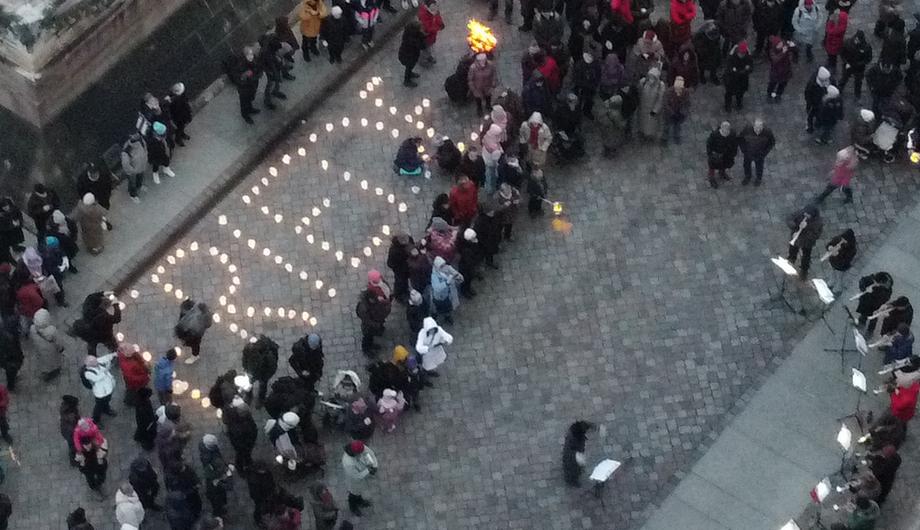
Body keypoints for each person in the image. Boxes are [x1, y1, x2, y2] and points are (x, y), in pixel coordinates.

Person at [786, 204, 824, 278]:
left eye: (808, 215)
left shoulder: (818, 222)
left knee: (806, 256)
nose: (805, 216)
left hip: (807, 243)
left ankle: (804, 270)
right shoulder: (801, 213)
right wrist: (796, 226)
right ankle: (791, 259)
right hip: (795, 239)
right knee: (792, 250)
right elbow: (789, 219)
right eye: (805, 214)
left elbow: (815, 236)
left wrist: (805, 229)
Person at [341, 440, 378, 516]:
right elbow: (356, 476)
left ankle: (360, 501)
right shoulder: (348, 462)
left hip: (362, 475)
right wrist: (368, 470)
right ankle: (353, 507)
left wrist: (374, 465)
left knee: (359, 492)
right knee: (354, 493)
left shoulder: (360, 447)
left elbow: (369, 453)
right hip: (354, 481)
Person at [199, 434, 232, 517]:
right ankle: (218, 513)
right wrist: (226, 472)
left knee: (215, 496)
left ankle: (219, 510)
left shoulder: (203, 448)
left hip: (212, 480)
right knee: (217, 498)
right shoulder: (212, 459)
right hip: (215, 483)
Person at [79, 291, 121, 356]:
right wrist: (116, 305)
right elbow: (117, 318)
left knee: (92, 344)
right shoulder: (103, 316)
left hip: (90, 332)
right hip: (104, 335)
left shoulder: (87, 306)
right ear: (100, 305)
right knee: (111, 342)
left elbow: (91, 296)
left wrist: (103, 293)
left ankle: (92, 358)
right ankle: (115, 350)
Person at [74, 418, 109, 497]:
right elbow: (80, 466)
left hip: (98, 466)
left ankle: (99, 484)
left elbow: (104, 458)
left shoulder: (98, 449)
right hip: (88, 468)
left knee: (101, 476)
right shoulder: (80, 454)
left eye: (88, 444)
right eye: (85, 445)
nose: (87, 447)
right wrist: (82, 465)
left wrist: (101, 462)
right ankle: (94, 487)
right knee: (90, 479)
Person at [223, 395, 258, 471]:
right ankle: (242, 465)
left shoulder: (231, 413)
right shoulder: (246, 421)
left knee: (241, 454)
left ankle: (243, 464)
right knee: (242, 454)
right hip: (243, 442)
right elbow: (253, 431)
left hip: (239, 441)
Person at [242, 335, 280, 404]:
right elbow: (244, 359)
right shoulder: (249, 348)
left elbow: (272, 369)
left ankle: (261, 399)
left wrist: (264, 378)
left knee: (263, 386)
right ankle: (249, 396)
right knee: (248, 384)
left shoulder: (269, 356)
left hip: (262, 374)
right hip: (251, 373)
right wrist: (246, 369)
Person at [738, 118, 775, 186]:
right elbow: (740, 139)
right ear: (753, 126)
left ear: (762, 127)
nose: (758, 131)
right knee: (746, 165)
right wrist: (744, 150)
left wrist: (764, 153)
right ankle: (748, 176)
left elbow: (771, 143)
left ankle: (758, 179)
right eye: (756, 128)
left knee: (759, 167)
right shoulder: (747, 129)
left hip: (760, 154)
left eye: (760, 128)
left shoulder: (768, 132)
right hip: (748, 153)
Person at [30, 308, 64, 381]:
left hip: (40, 349)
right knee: (54, 361)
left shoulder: (32, 328)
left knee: (44, 362)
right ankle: (54, 371)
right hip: (50, 350)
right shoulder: (52, 330)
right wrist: (60, 348)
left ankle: (46, 372)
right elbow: (58, 342)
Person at [175, 298, 212, 364]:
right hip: (188, 332)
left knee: (195, 345)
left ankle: (195, 356)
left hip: (194, 335)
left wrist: (185, 338)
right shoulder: (188, 311)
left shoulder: (198, 322)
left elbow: (207, 324)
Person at [83, 353, 117, 425]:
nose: (97, 362)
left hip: (108, 389)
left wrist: (113, 355)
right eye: (95, 362)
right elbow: (98, 378)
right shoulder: (88, 373)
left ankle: (106, 409)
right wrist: (107, 369)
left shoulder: (95, 362)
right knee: (98, 406)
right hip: (100, 393)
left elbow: (104, 358)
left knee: (107, 401)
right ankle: (96, 420)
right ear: (90, 364)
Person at [840, 31, 873, 99]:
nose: (857, 41)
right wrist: (846, 62)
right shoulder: (848, 42)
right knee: (844, 78)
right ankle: (839, 89)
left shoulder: (866, 47)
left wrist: (859, 64)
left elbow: (868, 59)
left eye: (858, 40)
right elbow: (842, 53)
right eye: (856, 39)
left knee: (858, 82)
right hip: (848, 65)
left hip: (859, 68)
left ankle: (857, 94)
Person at [430, 256, 463, 324]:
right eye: (441, 266)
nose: (444, 267)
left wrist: (459, 277)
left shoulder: (448, 268)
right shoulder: (434, 275)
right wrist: (447, 283)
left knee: (448, 307)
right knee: (438, 308)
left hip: (449, 294)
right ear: (437, 267)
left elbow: (456, 274)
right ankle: (435, 318)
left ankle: (447, 316)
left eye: (444, 264)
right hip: (439, 297)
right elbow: (437, 288)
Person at [234, 46, 262, 124]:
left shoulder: (254, 61)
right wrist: (246, 78)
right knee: (244, 102)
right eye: (248, 55)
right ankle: (245, 115)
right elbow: (238, 79)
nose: (251, 56)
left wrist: (258, 74)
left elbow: (258, 68)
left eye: (251, 54)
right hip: (244, 88)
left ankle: (250, 109)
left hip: (252, 86)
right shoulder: (240, 66)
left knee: (250, 99)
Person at [706, 121, 739, 188]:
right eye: (724, 130)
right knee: (712, 167)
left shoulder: (732, 134)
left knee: (724, 165)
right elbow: (709, 144)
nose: (726, 132)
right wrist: (711, 154)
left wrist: (733, 153)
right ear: (721, 128)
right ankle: (712, 179)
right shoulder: (714, 135)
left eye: (727, 130)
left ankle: (722, 173)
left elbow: (735, 144)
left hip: (727, 155)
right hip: (716, 155)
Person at [562, 420, 595, 486]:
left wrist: (596, 428)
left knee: (577, 468)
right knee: (573, 470)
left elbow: (589, 425)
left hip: (577, 450)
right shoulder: (572, 440)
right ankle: (572, 481)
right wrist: (577, 456)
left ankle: (574, 478)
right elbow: (568, 452)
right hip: (572, 458)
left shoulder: (578, 428)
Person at [636, 67, 665, 140]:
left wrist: (655, 110)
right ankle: (642, 134)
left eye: (653, 77)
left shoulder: (660, 86)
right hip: (643, 108)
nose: (651, 79)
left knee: (651, 124)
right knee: (642, 122)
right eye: (650, 77)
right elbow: (638, 92)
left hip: (651, 109)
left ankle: (650, 136)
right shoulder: (643, 82)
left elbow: (660, 99)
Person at [723, 42, 753, 111]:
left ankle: (739, 103)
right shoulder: (731, 57)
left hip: (742, 80)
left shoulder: (748, 57)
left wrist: (746, 70)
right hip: (731, 79)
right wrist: (742, 70)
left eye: (743, 54)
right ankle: (727, 105)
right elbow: (729, 69)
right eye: (740, 53)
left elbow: (751, 67)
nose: (741, 55)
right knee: (729, 93)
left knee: (740, 93)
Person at [120, 131, 148, 203]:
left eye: (136, 133)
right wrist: (133, 171)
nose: (137, 134)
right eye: (134, 133)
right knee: (132, 183)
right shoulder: (127, 149)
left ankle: (139, 186)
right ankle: (133, 195)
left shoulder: (141, 140)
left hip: (141, 166)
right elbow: (126, 164)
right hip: (133, 171)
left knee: (140, 177)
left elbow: (145, 148)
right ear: (130, 136)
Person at [662, 76, 691, 144]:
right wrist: (671, 112)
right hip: (670, 113)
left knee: (677, 126)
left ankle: (676, 136)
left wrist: (683, 111)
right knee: (666, 126)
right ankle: (665, 138)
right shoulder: (669, 92)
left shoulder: (685, 92)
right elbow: (665, 103)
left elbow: (687, 103)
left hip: (679, 113)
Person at [398, 20, 427, 87]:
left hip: (407, 54)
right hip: (408, 56)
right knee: (409, 67)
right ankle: (407, 81)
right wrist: (422, 36)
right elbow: (422, 46)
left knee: (409, 68)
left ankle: (410, 74)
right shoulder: (412, 39)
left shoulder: (408, 32)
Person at [804, 67, 833, 133]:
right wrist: (811, 103)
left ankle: (818, 121)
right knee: (811, 114)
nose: (827, 81)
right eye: (825, 80)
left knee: (820, 113)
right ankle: (809, 126)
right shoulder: (812, 84)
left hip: (823, 102)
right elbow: (807, 95)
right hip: (814, 103)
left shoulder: (829, 79)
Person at [694, 20, 722, 85]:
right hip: (703, 53)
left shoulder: (716, 31)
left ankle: (713, 76)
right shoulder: (700, 35)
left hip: (713, 51)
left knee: (714, 65)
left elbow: (717, 43)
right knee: (702, 66)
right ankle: (701, 76)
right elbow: (697, 45)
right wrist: (702, 51)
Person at [767, 36, 793, 102]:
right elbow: (775, 60)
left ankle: (778, 95)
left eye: (781, 43)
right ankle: (769, 95)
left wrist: (793, 46)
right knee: (772, 84)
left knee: (782, 85)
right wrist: (783, 53)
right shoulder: (772, 51)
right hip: (776, 72)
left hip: (785, 71)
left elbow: (793, 52)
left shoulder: (785, 45)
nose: (781, 45)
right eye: (779, 44)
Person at [0, 198, 23, 264]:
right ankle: (11, 261)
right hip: (5, 235)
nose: (6, 208)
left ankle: (16, 248)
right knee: (5, 249)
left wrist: (19, 222)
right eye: (4, 207)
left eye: (6, 206)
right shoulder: (1, 216)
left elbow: (20, 216)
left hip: (14, 233)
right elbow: (2, 228)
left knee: (15, 244)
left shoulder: (14, 209)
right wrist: (12, 225)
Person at [59, 395, 80, 464]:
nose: (77, 405)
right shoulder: (71, 420)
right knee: (72, 447)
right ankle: (73, 461)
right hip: (70, 434)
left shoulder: (64, 406)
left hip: (67, 431)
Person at [0, 324, 21, 393]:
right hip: (10, 360)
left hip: (6, 359)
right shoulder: (10, 337)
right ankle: (10, 386)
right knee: (11, 373)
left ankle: (10, 385)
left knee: (10, 373)